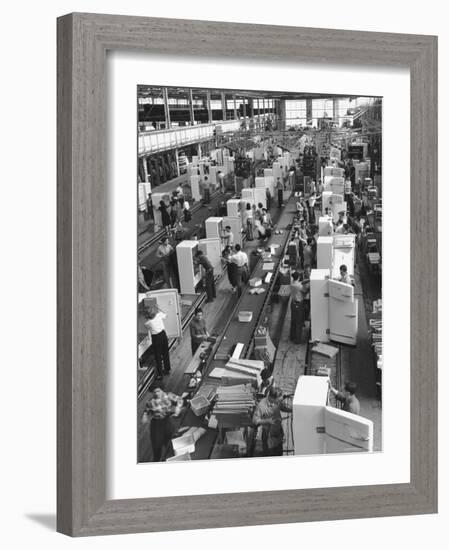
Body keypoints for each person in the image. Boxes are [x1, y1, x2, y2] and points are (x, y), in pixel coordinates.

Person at [141, 382, 183, 461]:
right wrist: (144, 416)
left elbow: (180, 399)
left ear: (162, 390)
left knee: (170, 440)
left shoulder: (169, 395)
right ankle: (156, 460)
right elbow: (146, 411)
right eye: (154, 392)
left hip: (167, 419)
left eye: (158, 391)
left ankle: (172, 457)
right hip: (156, 423)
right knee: (156, 444)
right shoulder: (150, 402)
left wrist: (178, 407)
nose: (156, 393)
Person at [252, 387, 292, 456]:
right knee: (270, 454)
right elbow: (254, 420)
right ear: (273, 398)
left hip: (278, 431)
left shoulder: (277, 401)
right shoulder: (262, 406)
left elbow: (282, 407)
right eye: (279, 398)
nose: (280, 400)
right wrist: (267, 421)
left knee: (279, 452)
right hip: (268, 434)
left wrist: (291, 410)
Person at [144, 306, 171, 379]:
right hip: (163, 334)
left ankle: (160, 374)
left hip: (156, 338)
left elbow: (147, 328)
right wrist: (158, 308)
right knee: (165, 352)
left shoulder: (147, 323)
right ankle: (167, 369)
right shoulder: (159, 315)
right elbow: (166, 314)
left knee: (158, 356)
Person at [289, 271, 306, 344]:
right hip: (298, 305)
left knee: (293, 320)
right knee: (299, 322)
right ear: (298, 277)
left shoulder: (292, 283)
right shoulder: (299, 286)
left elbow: (299, 283)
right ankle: (298, 340)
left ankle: (292, 336)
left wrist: (305, 281)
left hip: (293, 303)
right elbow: (304, 291)